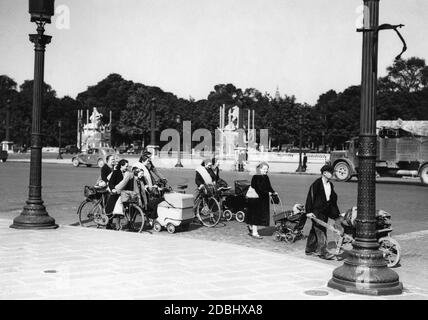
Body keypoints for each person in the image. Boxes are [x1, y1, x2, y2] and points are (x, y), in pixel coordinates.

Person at [305, 164, 341, 260]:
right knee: (321, 230)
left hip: (325, 211)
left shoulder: (330, 184)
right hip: (316, 211)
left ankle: (309, 249)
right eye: (331, 172)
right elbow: (310, 198)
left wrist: (336, 214)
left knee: (315, 229)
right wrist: (308, 211)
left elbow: (332, 201)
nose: (333, 174)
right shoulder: (316, 184)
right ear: (325, 173)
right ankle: (322, 252)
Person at [245, 162, 277, 239]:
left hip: (262, 198)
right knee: (256, 215)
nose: (266, 171)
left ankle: (251, 226)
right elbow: (258, 189)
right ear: (260, 169)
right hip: (255, 199)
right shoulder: (256, 177)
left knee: (257, 215)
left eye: (267, 169)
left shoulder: (266, 177)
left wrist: (273, 192)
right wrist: (267, 193)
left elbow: (269, 186)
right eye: (264, 169)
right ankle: (254, 233)